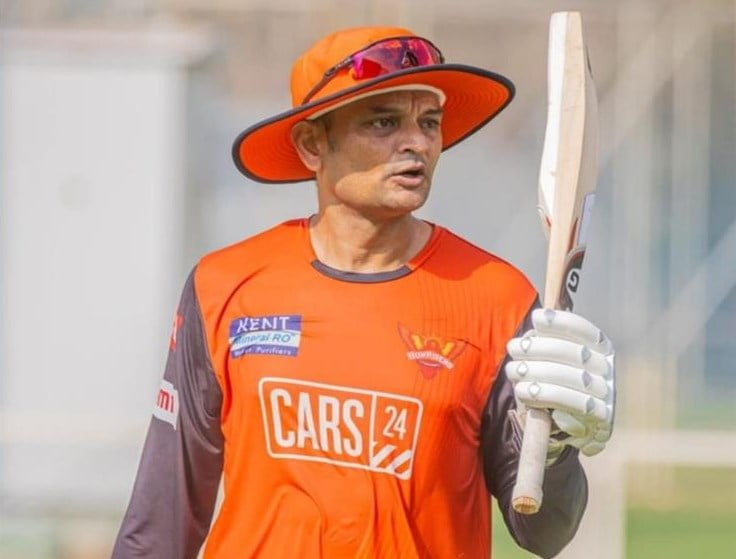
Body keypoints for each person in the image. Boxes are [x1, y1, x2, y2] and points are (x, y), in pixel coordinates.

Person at [112, 25, 615, 559]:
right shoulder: (224, 286)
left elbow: (544, 531)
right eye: (383, 122)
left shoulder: (498, 299)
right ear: (312, 144)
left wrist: (556, 451)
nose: (417, 142)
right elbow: (160, 524)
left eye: (429, 122)